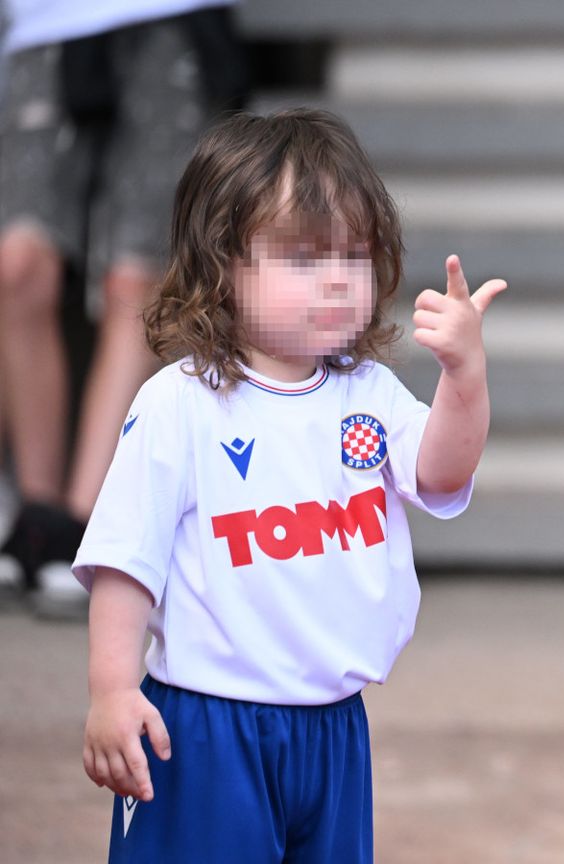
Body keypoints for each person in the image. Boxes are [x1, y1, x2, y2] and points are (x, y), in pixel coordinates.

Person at [71, 108, 506, 862]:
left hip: (334, 727)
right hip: (205, 727)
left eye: (355, 255)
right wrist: (112, 691)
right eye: (303, 258)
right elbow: (124, 561)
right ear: (221, 264)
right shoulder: (180, 403)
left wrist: (464, 376)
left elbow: (443, 469)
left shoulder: (368, 395)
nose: (338, 278)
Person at [0, 0, 245, 616]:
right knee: (16, 268)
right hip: (41, 23)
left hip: (168, 19)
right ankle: (37, 513)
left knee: (137, 280)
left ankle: (86, 526)